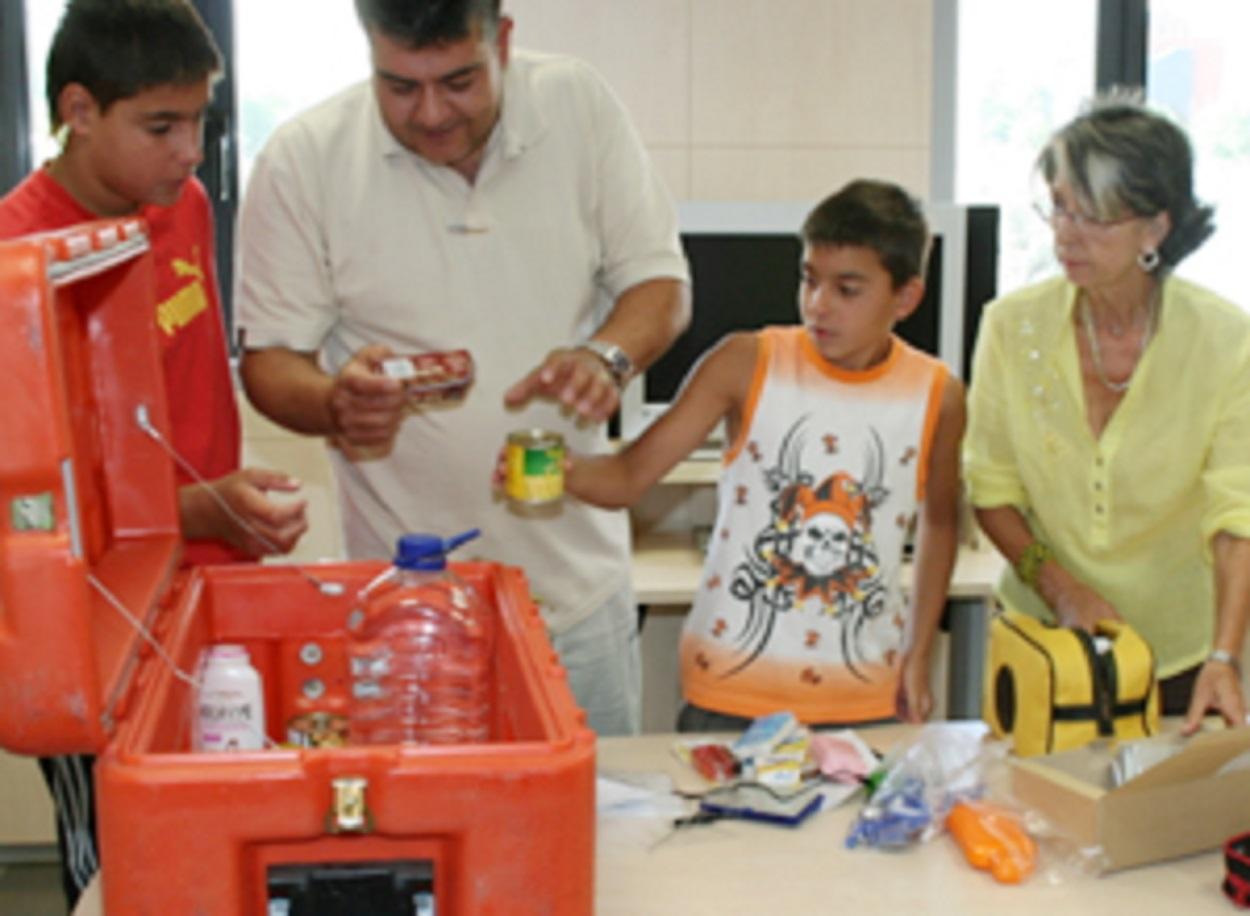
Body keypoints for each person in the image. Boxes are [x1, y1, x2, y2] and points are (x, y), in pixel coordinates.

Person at [234, 0, 691, 737]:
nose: (431, 113)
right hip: (408, 611)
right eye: (399, 85)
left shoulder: (577, 106)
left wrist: (607, 354)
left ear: (502, 42)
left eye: (458, 80)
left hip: (576, 598)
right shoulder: (303, 159)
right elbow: (270, 362)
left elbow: (661, 287)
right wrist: (334, 404)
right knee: (428, 841)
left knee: (596, 835)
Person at [0, 1, 309, 907]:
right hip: (88, 617)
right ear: (79, 110)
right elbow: (28, 503)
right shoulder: (19, 259)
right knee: (120, 869)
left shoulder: (185, 208)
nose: (190, 150)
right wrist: (193, 508)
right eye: (160, 125)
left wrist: (226, 514)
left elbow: (186, 396)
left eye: (201, 121)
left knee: (217, 845)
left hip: (204, 581)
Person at [503, 180, 965, 731]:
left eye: (847, 289)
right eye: (809, 279)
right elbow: (628, 478)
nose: (818, 304)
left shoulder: (938, 394)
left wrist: (918, 652)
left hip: (864, 695)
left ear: (906, 297)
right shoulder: (745, 362)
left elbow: (941, 520)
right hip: (730, 693)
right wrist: (550, 469)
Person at [963, 94, 1250, 736]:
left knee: (1169, 833)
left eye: (1092, 216)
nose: (1066, 232)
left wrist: (1226, 656)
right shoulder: (1012, 327)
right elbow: (992, 490)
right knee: (1030, 825)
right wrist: (1063, 591)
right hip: (1044, 648)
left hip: (1181, 658)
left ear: (1155, 228)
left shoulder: (1228, 340)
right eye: (1059, 206)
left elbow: (1240, 514)